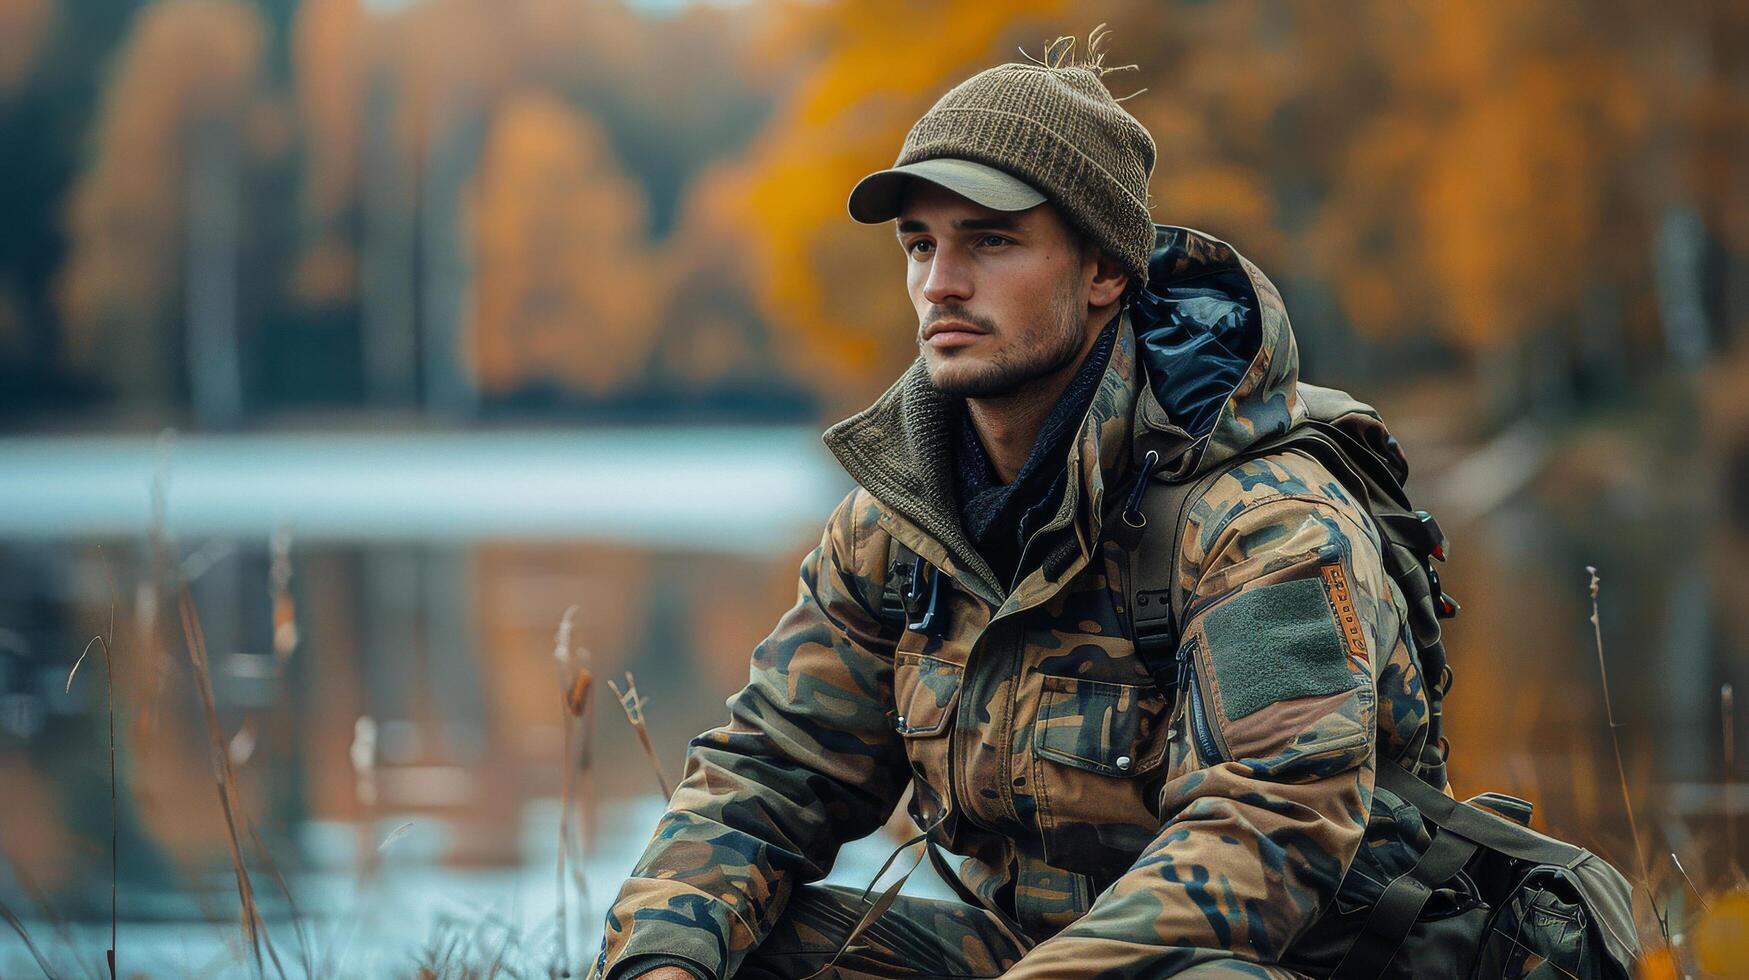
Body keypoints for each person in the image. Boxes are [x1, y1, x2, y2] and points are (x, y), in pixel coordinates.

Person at [589, 36, 1431, 980]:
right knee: (736, 948)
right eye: (920, 245)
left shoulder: (1260, 522)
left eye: (988, 241)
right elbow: (769, 770)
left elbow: (1264, 835)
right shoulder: (899, 531)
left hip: (1273, 963)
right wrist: (660, 961)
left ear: (1103, 270)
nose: (939, 283)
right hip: (1025, 957)